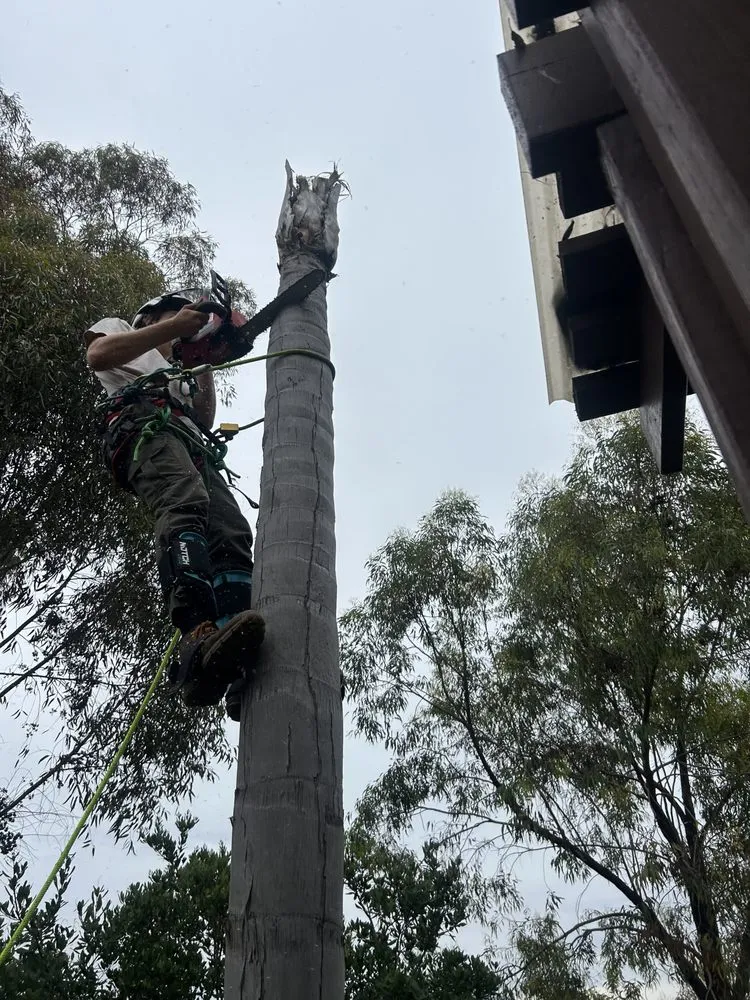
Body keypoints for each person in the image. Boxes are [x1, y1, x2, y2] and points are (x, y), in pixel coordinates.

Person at [84, 290, 264, 721]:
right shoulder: (124, 331)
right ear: (151, 317)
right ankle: (196, 631)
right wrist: (177, 326)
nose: (192, 323)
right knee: (185, 502)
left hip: (189, 441)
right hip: (143, 426)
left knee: (232, 530)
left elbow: (202, 417)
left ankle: (234, 641)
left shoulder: (179, 372)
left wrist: (206, 361)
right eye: (181, 314)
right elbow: (98, 356)